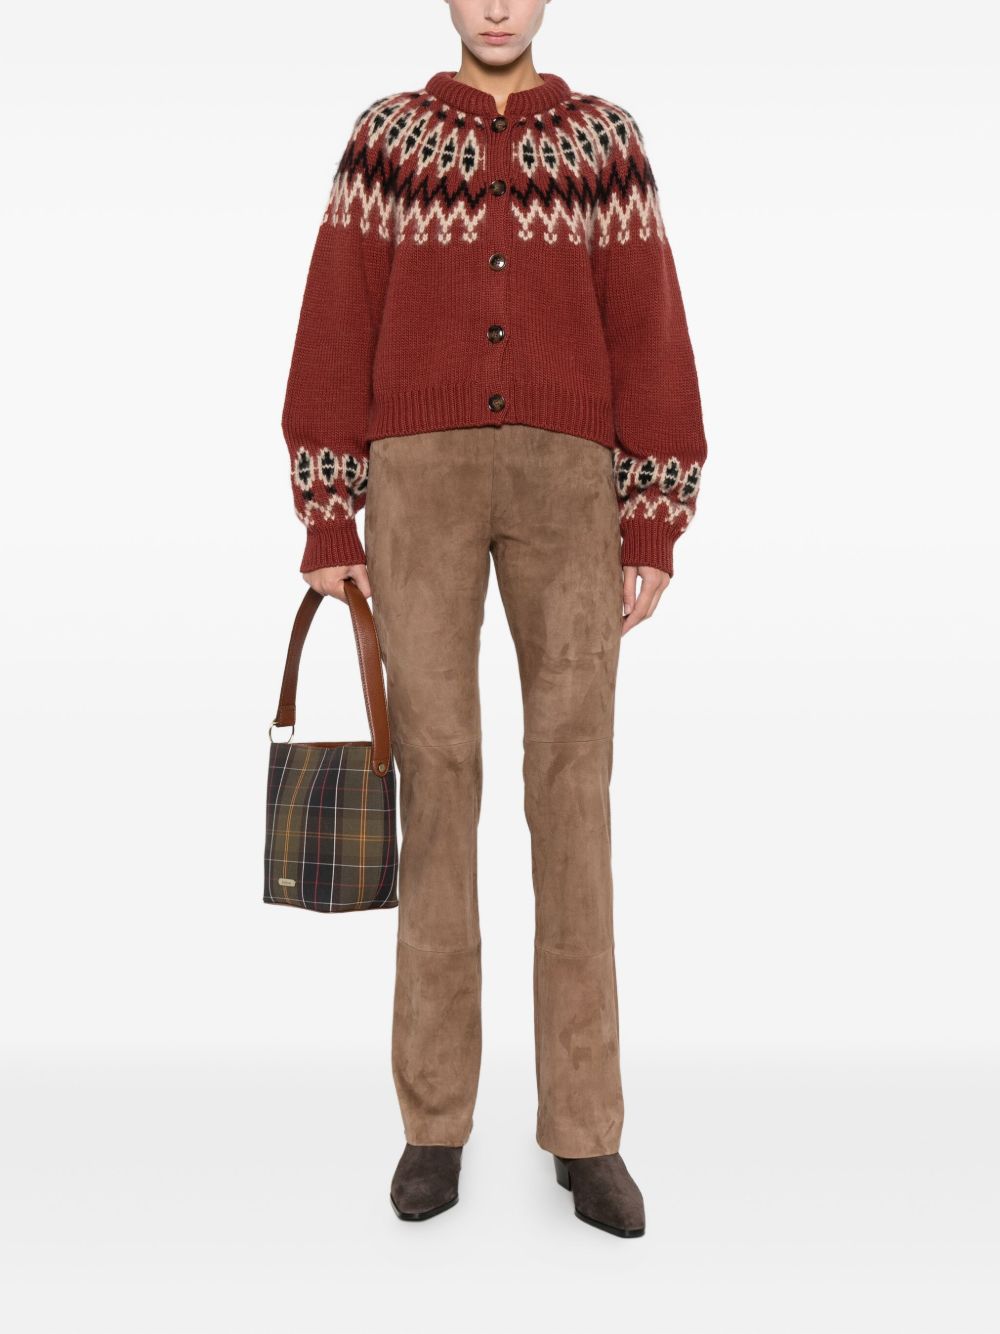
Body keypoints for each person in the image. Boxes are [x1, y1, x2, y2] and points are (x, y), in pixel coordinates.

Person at [279, 0, 707, 1238]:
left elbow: (650, 325)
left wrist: (652, 518)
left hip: (572, 488)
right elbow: (335, 318)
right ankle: (433, 1123)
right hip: (416, 486)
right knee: (438, 781)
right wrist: (328, 514)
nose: (499, 6)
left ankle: (586, 1128)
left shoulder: (604, 140)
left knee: (572, 791)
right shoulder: (388, 137)